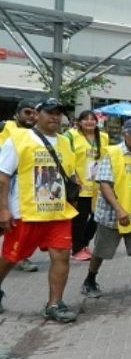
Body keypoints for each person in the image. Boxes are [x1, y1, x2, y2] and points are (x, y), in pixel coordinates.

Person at [0, 98, 78, 321]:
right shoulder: (19, 139)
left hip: (58, 212)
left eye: (58, 113)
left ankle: (54, 304)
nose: (55, 117)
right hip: (26, 212)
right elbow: (3, 177)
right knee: (11, 257)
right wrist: (3, 209)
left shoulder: (65, 142)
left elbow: (71, 173)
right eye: (49, 112)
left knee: (61, 256)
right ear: (37, 114)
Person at [81, 119, 131, 304]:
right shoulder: (112, 153)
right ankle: (90, 280)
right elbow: (104, 184)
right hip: (112, 215)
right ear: (125, 134)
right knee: (101, 251)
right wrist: (119, 209)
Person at [0, 99, 42, 273]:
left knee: (14, 226)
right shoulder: (4, 128)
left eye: (34, 113)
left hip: (20, 188)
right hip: (3, 180)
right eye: (27, 112)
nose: (31, 116)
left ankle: (20, 258)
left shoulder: (37, 134)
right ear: (17, 114)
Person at [66, 110, 109, 261]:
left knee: (98, 218)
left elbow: (107, 158)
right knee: (80, 219)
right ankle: (77, 249)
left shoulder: (104, 137)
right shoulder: (71, 136)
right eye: (85, 119)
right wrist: (73, 176)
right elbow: (65, 157)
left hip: (98, 185)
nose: (89, 122)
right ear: (79, 122)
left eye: (92, 119)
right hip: (80, 184)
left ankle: (83, 243)